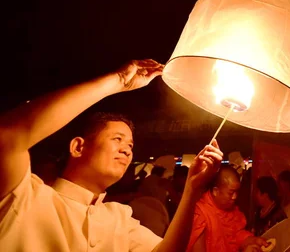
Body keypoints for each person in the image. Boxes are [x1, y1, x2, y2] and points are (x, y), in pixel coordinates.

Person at [0, 59, 223, 251]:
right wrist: (117, 82)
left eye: (130, 144)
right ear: (78, 147)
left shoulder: (119, 218)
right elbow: (9, 136)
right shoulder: (24, 195)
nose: (127, 149)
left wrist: (192, 190)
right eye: (117, 139)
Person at [187, 166, 268, 252]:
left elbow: (237, 235)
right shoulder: (200, 214)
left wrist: (253, 240)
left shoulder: (231, 209)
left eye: (237, 192)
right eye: (231, 193)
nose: (235, 197)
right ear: (215, 191)